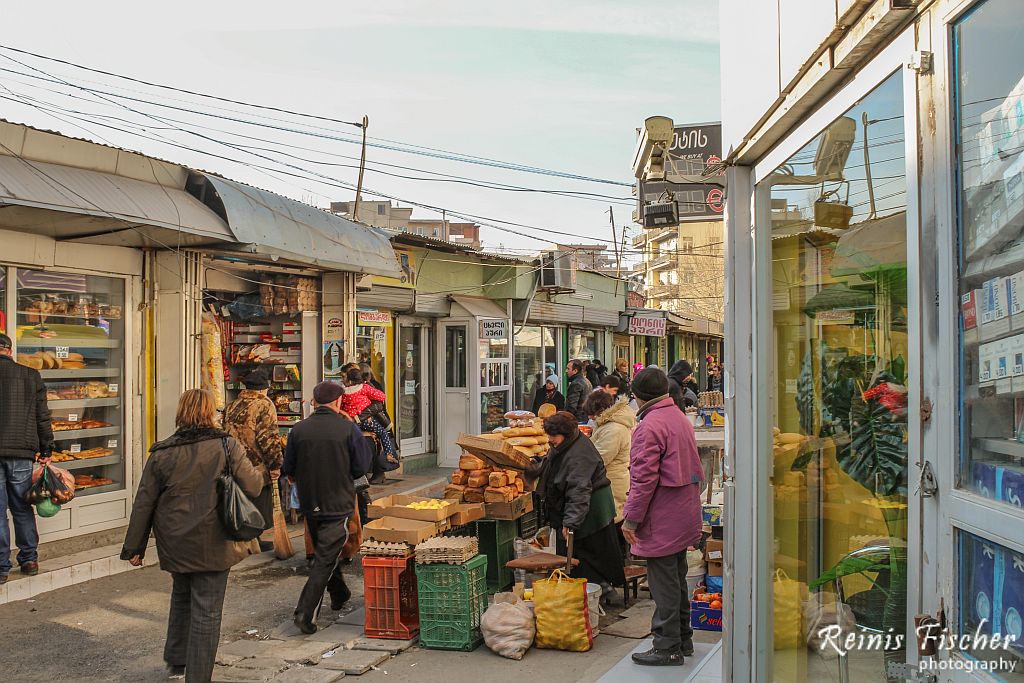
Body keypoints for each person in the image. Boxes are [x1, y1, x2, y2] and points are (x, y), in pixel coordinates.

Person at [122, 389, 263, 682]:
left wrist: (134, 546)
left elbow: (144, 500)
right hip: (214, 540)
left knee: (182, 594)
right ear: (210, 412)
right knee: (207, 611)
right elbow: (252, 486)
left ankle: (177, 658)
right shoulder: (225, 446)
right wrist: (263, 469)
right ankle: (197, 676)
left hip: (174, 539)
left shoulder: (161, 452)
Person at [622, 368, 704, 667]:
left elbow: (643, 479)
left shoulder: (650, 425)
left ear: (637, 395)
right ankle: (682, 638)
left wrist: (631, 518)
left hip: (663, 513)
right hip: (683, 510)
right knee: (676, 578)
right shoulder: (678, 417)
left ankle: (667, 646)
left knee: (663, 583)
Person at [283, 381, 373, 634]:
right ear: (338, 402)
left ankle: (340, 593)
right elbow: (361, 467)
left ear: (315, 402)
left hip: (310, 502)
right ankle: (305, 612)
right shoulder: (348, 429)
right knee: (325, 557)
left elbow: (288, 468)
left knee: (326, 550)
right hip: (338, 502)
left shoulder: (298, 430)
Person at [528, 411, 625, 594]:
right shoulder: (566, 443)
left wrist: (571, 522)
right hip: (583, 505)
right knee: (585, 551)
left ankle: (596, 590)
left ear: (565, 434)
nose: (551, 440)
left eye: (554, 437)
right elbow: (551, 461)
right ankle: (590, 588)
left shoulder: (579, 455)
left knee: (589, 552)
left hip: (591, 509)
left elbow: (579, 490)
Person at [0, 333, 53, 583]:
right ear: (9, 350)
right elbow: (42, 416)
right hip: (21, 453)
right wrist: (46, 450)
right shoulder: (31, 376)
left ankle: (1, 566)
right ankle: (29, 559)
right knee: (22, 507)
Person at [222, 368, 283, 552]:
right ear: (264, 388)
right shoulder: (264, 404)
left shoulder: (232, 405)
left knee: (238, 499)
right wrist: (275, 464)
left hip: (233, 462)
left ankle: (242, 538)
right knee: (257, 502)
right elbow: (268, 437)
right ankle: (252, 539)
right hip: (255, 464)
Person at [585, 390, 634, 528]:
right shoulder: (608, 425)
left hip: (612, 483)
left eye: (592, 414)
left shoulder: (613, 429)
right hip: (610, 481)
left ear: (600, 410)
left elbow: (600, 458)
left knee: (613, 521)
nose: (591, 418)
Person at [341, 367, 399, 479]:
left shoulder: (344, 393)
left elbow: (342, 407)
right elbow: (382, 396)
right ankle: (388, 454)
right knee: (382, 433)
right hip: (367, 421)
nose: (342, 380)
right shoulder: (365, 388)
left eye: (344, 378)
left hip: (352, 422)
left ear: (350, 381)